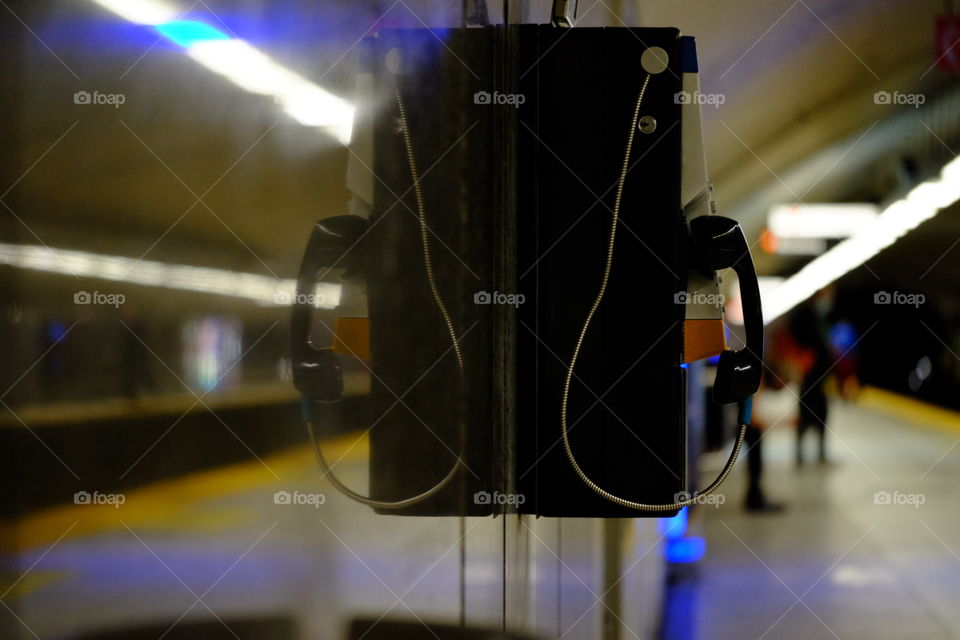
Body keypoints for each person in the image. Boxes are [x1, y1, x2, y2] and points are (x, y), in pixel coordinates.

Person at [788, 287, 835, 466]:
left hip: (820, 375)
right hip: (809, 375)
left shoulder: (820, 318)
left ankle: (819, 453)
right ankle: (801, 454)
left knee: (821, 413)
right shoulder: (804, 317)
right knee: (807, 413)